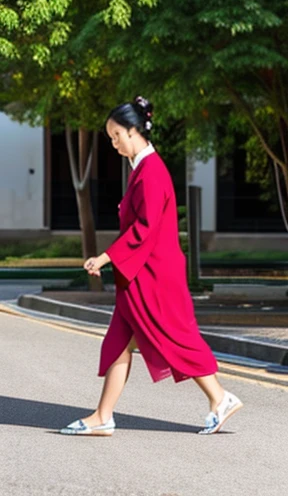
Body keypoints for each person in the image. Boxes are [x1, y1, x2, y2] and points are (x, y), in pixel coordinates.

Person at [60, 96, 243, 436]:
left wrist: (104, 257)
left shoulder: (151, 172)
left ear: (133, 131)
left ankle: (220, 398)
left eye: (116, 136)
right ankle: (103, 415)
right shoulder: (142, 170)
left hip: (154, 276)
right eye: (111, 137)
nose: (113, 144)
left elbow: (143, 229)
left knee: (175, 337)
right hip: (142, 274)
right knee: (118, 342)